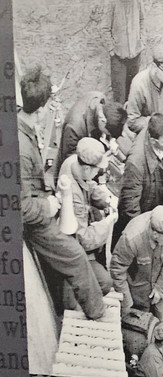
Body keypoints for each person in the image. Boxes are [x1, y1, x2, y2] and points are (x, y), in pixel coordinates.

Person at [18, 66, 105, 320]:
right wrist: (49, 206)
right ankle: (98, 314)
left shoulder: (22, 124)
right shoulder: (21, 150)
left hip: (39, 199)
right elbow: (21, 208)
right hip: (34, 217)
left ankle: (62, 306)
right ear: (40, 109)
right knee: (76, 257)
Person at [57, 138, 116, 300]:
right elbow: (84, 239)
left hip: (73, 240)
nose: (99, 173)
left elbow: (87, 185)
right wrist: (107, 223)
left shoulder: (73, 162)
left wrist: (105, 200)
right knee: (104, 283)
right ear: (87, 168)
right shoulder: (74, 198)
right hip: (71, 251)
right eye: (97, 169)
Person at [113, 113, 163, 247]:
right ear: (153, 141)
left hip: (153, 194)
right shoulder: (135, 162)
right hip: (142, 208)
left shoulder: (159, 132)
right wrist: (143, 237)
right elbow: (131, 206)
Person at [110, 205, 163, 320]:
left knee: (161, 321)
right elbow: (117, 271)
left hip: (159, 287)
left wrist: (161, 288)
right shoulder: (131, 239)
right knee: (139, 325)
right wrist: (126, 303)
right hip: (136, 294)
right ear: (155, 234)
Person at [58, 91, 126, 168]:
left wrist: (111, 140)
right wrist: (98, 162)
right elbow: (71, 159)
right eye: (108, 134)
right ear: (103, 121)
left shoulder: (101, 101)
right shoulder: (74, 128)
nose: (108, 135)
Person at [126, 43, 163, 134]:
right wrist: (157, 122)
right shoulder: (139, 84)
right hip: (148, 134)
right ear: (154, 66)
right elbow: (132, 121)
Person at [108, 0, 145, 104]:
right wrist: (111, 49)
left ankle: (131, 113)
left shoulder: (138, 2)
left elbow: (142, 21)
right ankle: (120, 114)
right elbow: (104, 28)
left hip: (135, 54)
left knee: (133, 90)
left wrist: (142, 42)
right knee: (119, 93)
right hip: (118, 56)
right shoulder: (112, 3)